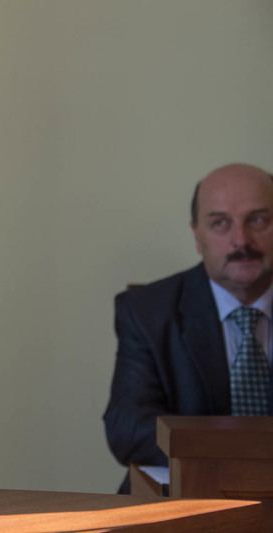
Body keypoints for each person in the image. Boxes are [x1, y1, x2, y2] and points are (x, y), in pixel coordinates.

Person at [104, 163, 273, 493]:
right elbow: (127, 428)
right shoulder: (146, 311)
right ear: (197, 234)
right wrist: (239, 455)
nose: (241, 240)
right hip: (184, 496)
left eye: (257, 220)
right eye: (220, 223)